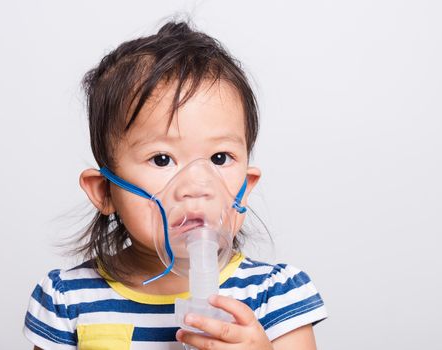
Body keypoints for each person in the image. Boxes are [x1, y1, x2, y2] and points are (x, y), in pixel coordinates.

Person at [23, 20, 327, 350]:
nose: (198, 186)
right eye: (162, 159)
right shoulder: (67, 301)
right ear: (104, 191)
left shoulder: (275, 296)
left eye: (220, 158)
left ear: (247, 184)